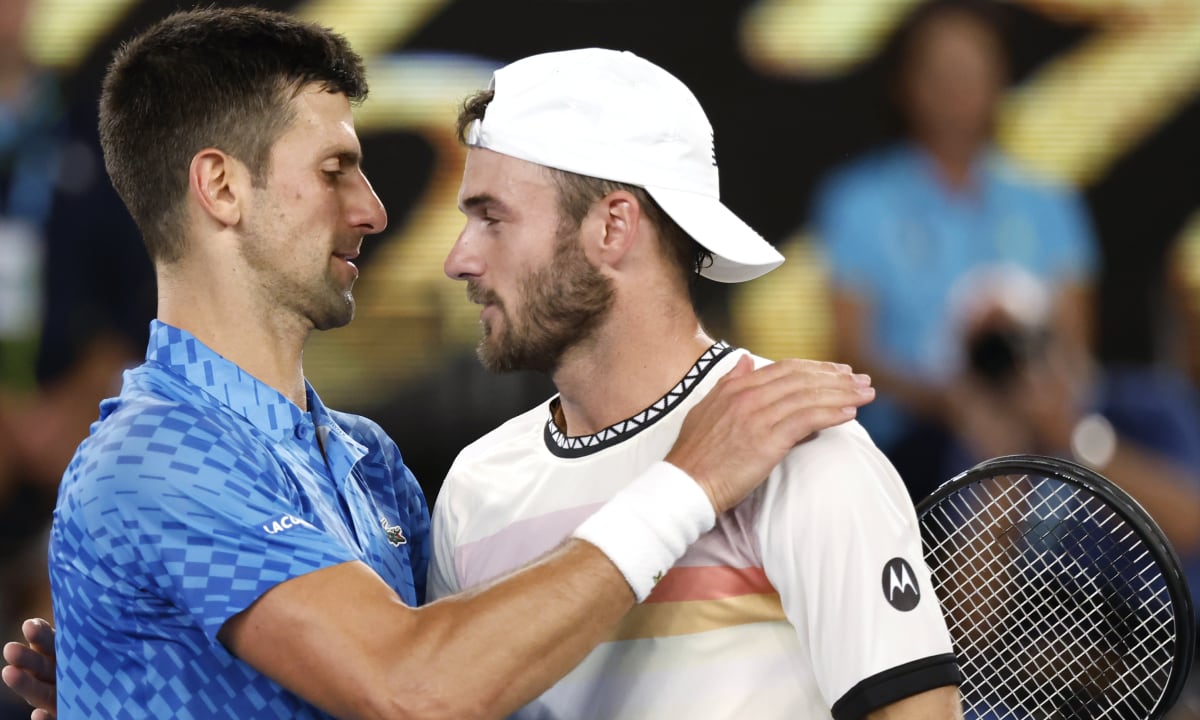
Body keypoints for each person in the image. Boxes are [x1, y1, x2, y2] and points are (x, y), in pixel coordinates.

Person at [0, 8, 879, 720]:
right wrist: (693, 481)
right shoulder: (152, 461)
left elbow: (470, 667)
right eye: (339, 168)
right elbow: (417, 689)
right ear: (222, 188)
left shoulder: (370, 463)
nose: (376, 210)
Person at [427, 49, 962, 718]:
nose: (459, 258)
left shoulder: (803, 450)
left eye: (492, 217)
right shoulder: (474, 487)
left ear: (613, 226)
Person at [811, 0, 1099, 500]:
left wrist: (1044, 405)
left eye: (972, 67)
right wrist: (951, 402)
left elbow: (1074, 349)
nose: (956, 86)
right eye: (940, 70)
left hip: (1048, 422)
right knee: (992, 453)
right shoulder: (859, 201)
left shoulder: (1049, 203)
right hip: (918, 434)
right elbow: (852, 354)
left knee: (1145, 427)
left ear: (1000, 78)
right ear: (904, 84)